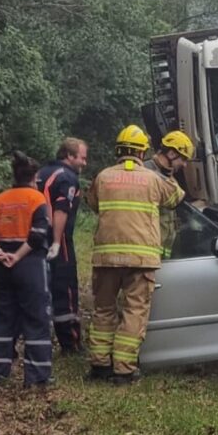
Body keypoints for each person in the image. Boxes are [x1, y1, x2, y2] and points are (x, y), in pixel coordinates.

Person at [87, 125, 184, 385]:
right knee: (134, 311)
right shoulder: (154, 179)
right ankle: (124, 370)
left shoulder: (103, 176)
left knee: (104, 309)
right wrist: (168, 170)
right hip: (141, 259)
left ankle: (99, 367)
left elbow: (93, 204)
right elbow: (176, 198)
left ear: (118, 150)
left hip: (106, 257)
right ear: (142, 153)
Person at [0, 151, 53, 388]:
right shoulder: (36, 199)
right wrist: (17, 256)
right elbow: (38, 235)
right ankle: (37, 377)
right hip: (28, 264)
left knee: (2, 320)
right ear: (34, 178)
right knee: (36, 319)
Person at [36, 137, 88, 354]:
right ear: (69, 156)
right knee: (65, 289)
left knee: (39, 288)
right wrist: (57, 242)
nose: (84, 163)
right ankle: (71, 343)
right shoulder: (67, 177)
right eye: (82, 158)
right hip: (58, 239)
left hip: (34, 238)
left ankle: (38, 339)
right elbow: (60, 211)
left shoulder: (41, 172)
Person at [144, 130, 195, 259]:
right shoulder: (147, 172)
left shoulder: (168, 174)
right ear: (171, 153)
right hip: (149, 254)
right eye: (183, 159)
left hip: (164, 255)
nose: (184, 165)